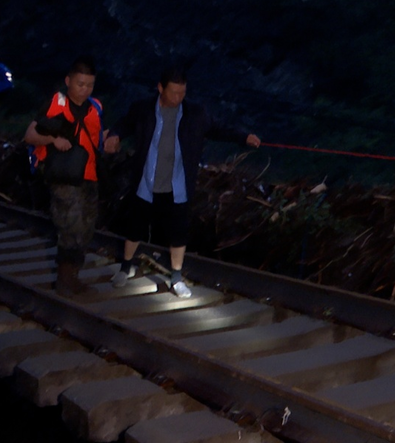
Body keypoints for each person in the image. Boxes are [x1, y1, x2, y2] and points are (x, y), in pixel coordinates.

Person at [104, 66, 261, 298]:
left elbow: (219, 129)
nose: (178, 97)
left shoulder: (195, 114)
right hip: (147, 182)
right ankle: (125, 267)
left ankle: (176, 277)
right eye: (174, 92)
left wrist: (244, 137)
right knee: (135, 227)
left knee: (178, 232)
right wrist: (114, 135)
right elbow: (124, 124)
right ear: (161, 88)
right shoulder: (143, 109)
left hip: (177, 185)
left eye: (182, 92)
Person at [24, 55, 111, 296]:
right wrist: (53, 139)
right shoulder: (56, 103)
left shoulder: (96, 107)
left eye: (89, 85)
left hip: (89, 175)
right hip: (63, 176)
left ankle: (73, 277)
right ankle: (64, 280)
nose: (85, 89)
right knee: (70, 226)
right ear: (68, 81)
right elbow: (30, 135)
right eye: (80, 84)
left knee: (86, 227)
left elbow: (96, 139)